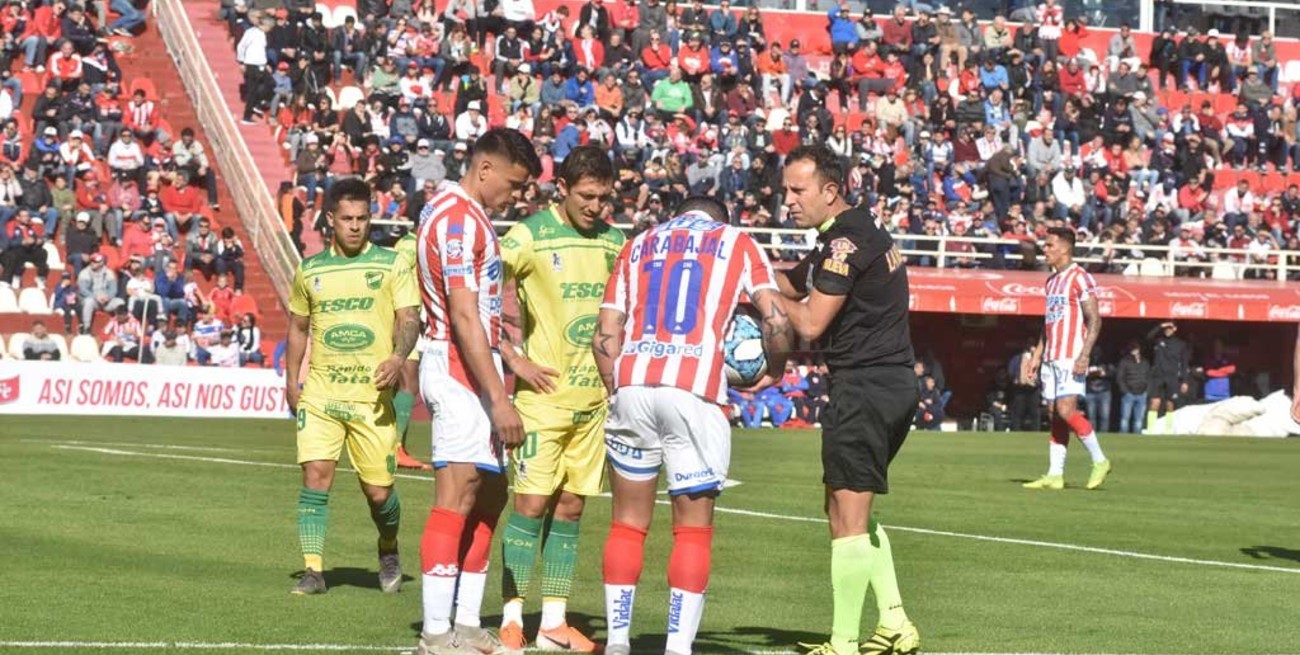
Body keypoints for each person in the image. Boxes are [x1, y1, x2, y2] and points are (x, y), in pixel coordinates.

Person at [594, 195, 792, 655]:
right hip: (694, 391)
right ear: (721, 218)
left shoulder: (638, 243)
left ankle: (618, 642)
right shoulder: (736, 241)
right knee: (692, 528)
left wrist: (615, 387)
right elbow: (776, 319)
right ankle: (678, 647)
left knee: (627, 523)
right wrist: (776, 369)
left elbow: (605, 333)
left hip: (633, 383)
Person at [775, 144, 918, 655]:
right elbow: (791, 281)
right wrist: (750, 271)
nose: (788, 200)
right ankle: (896, 623)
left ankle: (842, 643)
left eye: (798, 190)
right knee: (842, 506)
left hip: (866, 386)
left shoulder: (844, 243)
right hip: (884, 384)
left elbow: (811, 322)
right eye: (786, 190)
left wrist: (764, 297)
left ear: (830, 190)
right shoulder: (849, 230)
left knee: (849, 519)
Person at [414, 128, 542, 655]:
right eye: (514, 183)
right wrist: (499, 398)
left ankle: (466, 624)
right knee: (458, 492)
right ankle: (435, 633)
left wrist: (510, 356)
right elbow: (464, 315)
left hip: (476, 362)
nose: (516, 195)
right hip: (457, 365)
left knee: (489, 494)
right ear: (485, 168)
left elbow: (482, 314)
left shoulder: (466, 215)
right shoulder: (458, 220)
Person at [494, 146, 625, 653]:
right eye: (587, 196)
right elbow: (476, 295)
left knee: (570, 508)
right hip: (542, 401)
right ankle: (511, 618)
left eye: (603, 197)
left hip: (593, 403)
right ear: (563, 189)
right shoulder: (528, 235)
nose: (595, 206)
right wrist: (513, 358)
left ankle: (553, 622)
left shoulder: (614, 241)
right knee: (529, 506)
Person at [283, 177, 422, 596]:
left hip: (371, 398)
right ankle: (313, 570)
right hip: (322, 393)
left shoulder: (392, 264)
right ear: (331, 219)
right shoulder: (310, 270)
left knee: (379, 494)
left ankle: (388, 545)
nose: (356, 226)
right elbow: (298, 328)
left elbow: (409, 318)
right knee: (316, 475)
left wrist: (397, 357)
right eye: (347, 219)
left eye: (363, 218)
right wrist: (292, 381)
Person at [1023, 228, 1111, 491]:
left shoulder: (1080, 277)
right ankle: (1055, 474)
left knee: (1066, 411)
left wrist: (1085, 354)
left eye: (1050, 245)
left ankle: (1100, 460)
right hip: (1051, 356)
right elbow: (1048, 322)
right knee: (1054, 414)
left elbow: (1095, 319)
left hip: (1070, 354)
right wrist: (1037, 355)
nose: (1045, 249)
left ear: (1064, 248)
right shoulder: (1051, 281)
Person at [1146, 321, 1189, 434]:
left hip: (1172, 378)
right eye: (1166, 328)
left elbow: (1184, 364)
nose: (1167, 330)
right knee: (1154, 402)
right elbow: (1148, 336)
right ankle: (1151, 429)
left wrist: (1184, 381)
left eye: (1170, 328)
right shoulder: (1159, 340)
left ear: (1175, 329)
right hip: (1158, 377)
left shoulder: (1181, 344)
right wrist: (1160, 326)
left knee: (1170, 404)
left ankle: (1168, 430)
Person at [1116, 341, 1150, 434]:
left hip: (1142, 393)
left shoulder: (1145, 362)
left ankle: (1137, 437)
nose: (1134, 351)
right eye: (1132, 349)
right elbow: (1119, 377)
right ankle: (1123, 437)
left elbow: (1149, 377)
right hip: (1129, 394)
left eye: (1136, 349)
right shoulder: (1124, 362)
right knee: (1125, 418)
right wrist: (1125, 391)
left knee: (1139, 419)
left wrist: (1147, 390)